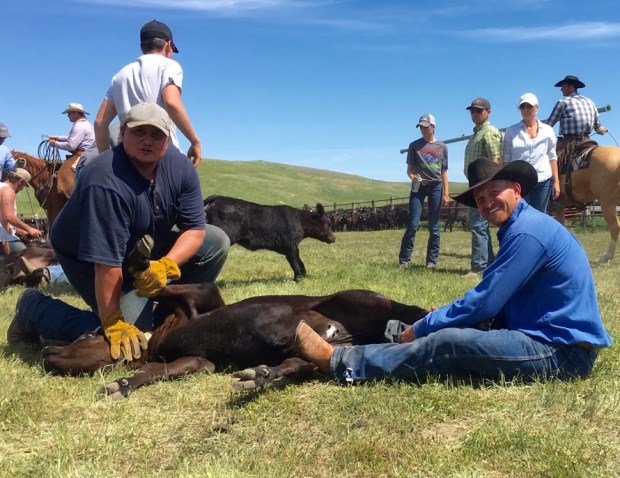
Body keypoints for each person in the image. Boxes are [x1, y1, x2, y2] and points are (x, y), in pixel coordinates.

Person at [294, 158, 612, 385]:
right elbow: (499, 299)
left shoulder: (528, 233)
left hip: (560, 353)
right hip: (545, 335)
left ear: (516, 189)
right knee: (451, 327)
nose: (487, 203)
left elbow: (485, 302)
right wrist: (448, 316)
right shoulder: (525, 226)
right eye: (480, 198)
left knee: (447, 342)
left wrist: (425, 326)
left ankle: (337, 362)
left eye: (494, 192)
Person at [8, 103, 230, 362]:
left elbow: (194, 230)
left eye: (156, 134)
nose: (147, 140)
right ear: (123, 133)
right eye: (139, 132)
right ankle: (34, 308)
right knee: (136, 340)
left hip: (142, 243)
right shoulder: (105, 180)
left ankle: (167, 310)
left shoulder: (181, 168)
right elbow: (106, 263)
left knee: (216, 241)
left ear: (167, 140)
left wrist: (166, 266)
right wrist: (113, 320)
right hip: (87, 256)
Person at [94, 20, 202, 167]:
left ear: (142, 47)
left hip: (127, 158)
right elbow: (171, 102)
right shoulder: (169, 66)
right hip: (161, 154)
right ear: (168, 45)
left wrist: (105, 161)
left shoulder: (121, 75)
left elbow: (100, 122)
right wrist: (194, 141)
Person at [398, 114, 449, 269]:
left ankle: (431, 261)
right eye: (421, 127)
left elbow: (444, 171)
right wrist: (414, 178)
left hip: (436, 187)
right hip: (418, 187)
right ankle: (404, 260)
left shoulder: (442, 147)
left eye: (426, 127)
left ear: (433, 127)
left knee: (434, 226)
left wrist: (446, 193)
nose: (423, 129)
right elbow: (409, 170)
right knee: (413, 224)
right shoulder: (414, 146)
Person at [463, 98, 502, 278]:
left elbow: (495, 161)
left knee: (478, 225)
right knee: (480, 226)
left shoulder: (489, 132)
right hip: (476, 184)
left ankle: (478, 267)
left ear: (488, 112)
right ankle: (490, 263)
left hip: (483, 185)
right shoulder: (477, 133)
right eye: (473, 110)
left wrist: (491, 187)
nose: (475, 113)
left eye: (479, 110)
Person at [502, 93, 559, 213]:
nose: (526, 109)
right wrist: (506, 182)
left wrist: (556, 182)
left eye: (529, 106)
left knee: (539, 215)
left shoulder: (548, 130)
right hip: (519, 181)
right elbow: (506, 159)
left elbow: (552, 157)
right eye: (523, 107)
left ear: (536, 108)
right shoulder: (511, 131)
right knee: (520, 214)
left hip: (543, 180)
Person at [546, 75, 607, 156]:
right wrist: (602, 130)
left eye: (563, 86)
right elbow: (598, 128)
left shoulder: (563, 102)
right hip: (587, 141)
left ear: (571, 87)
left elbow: (548, 125)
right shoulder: (590, 102)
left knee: (549, 157)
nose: (561, 89)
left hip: (570, 143)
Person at [0, 168, 43, 254]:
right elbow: (9, 216)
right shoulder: (8, 191)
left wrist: (22, 232)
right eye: (24, 185)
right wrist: (29, 228)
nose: (22, 188)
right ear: (20, 181)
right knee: (32, 256)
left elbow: (2, 219)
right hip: (4, 239)